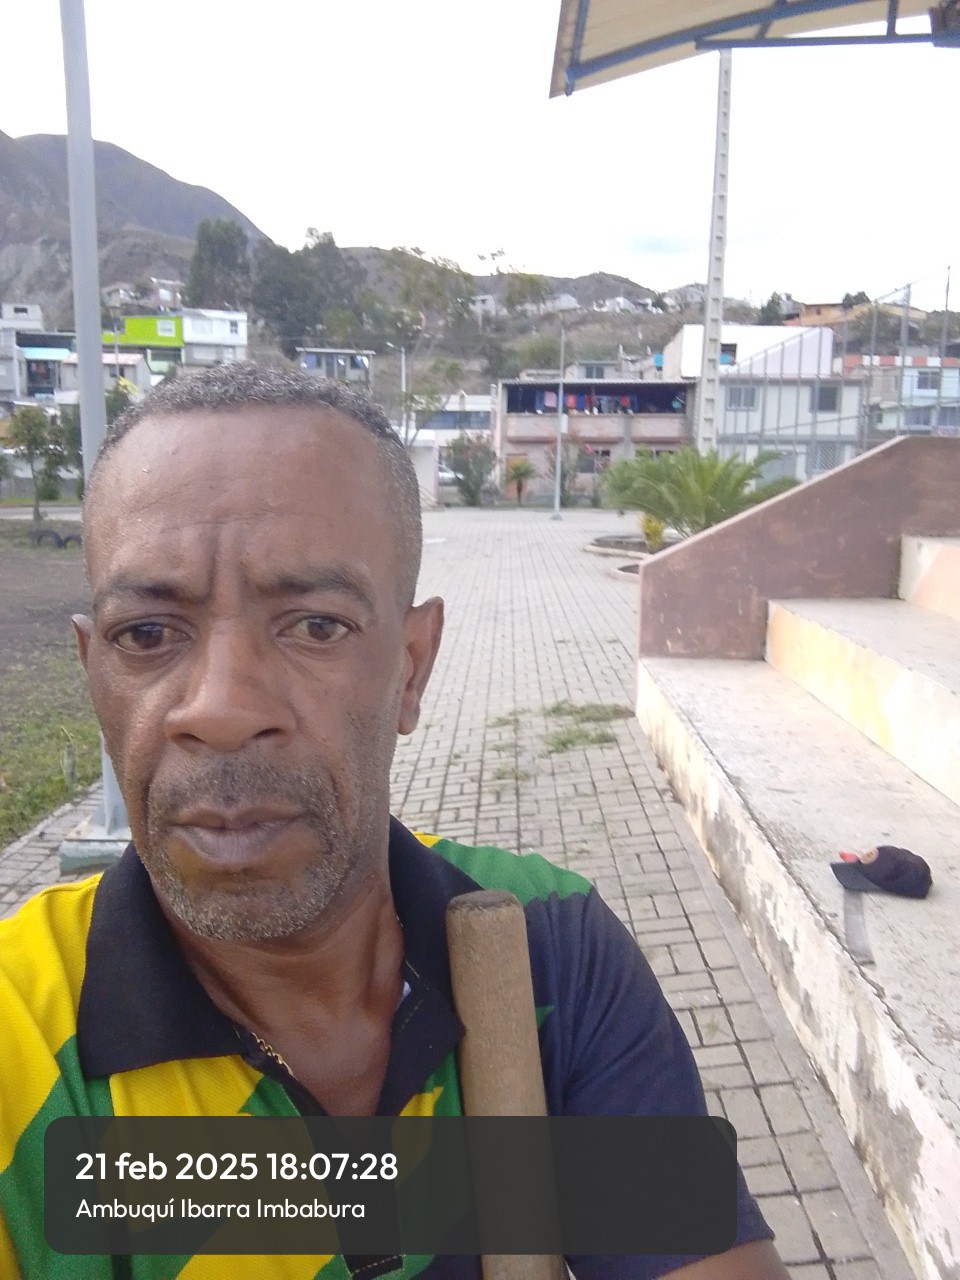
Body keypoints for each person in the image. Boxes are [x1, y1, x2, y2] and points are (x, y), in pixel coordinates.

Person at [0, 363, 788, 1279]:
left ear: (411, 667)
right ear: (94, 672)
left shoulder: (549, 949)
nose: (220, 708)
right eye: (146, 635)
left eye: (315, 625)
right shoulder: (20, 1037)